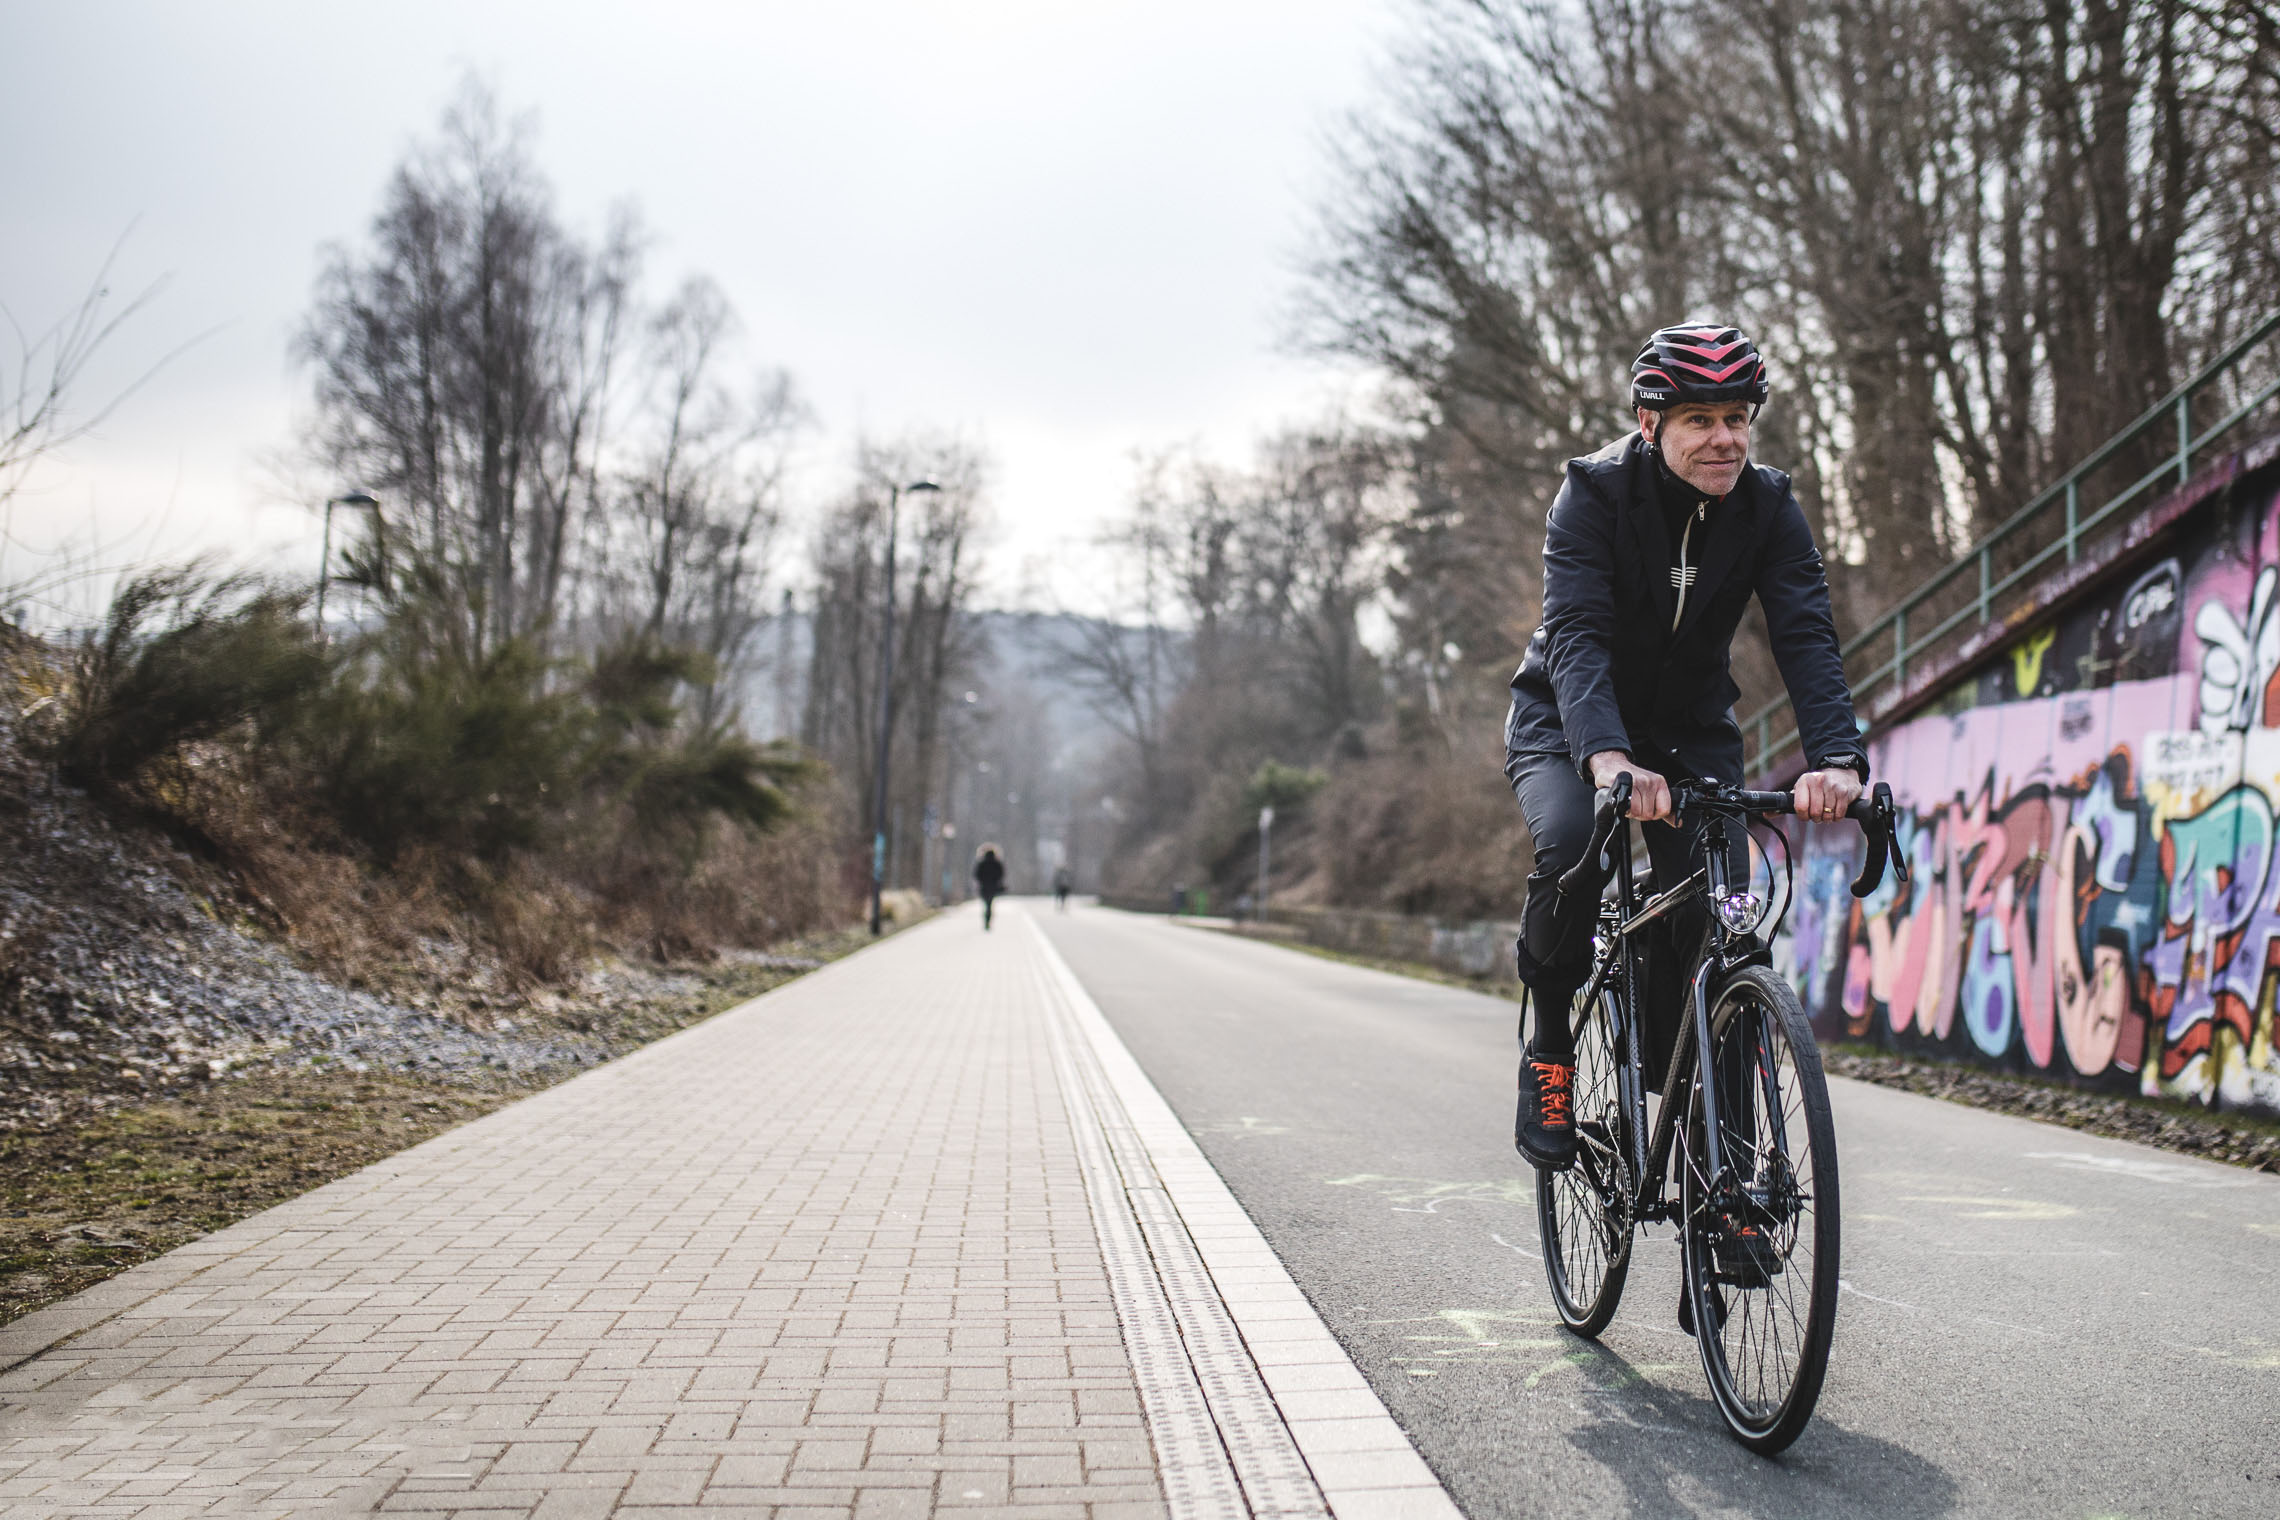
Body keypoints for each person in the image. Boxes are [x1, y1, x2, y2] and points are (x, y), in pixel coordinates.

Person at [1505, 324, 1868, 1176]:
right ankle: (1552, 1048)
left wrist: (1839, 760)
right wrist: (1607, 761)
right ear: (1649, 424)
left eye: (1738, 417)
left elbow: (1806, 635)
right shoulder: (1590, 496)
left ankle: (1730, 1162)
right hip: (1568, 721)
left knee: (1723, 915)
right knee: (1569, 849)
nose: (1725, 439)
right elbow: (1579, 638)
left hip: (1690, 728)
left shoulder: (1769, 505)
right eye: (1700, 419)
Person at [972, 844, 1007, 930]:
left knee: (986, 904)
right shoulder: (997, 863)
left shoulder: (982, 863)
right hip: (993, 886)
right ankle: (988, 919)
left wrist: (982, 881)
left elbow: (977, 875)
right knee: (990, 903)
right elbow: (1001, 874)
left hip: (984, 886)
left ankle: (986, 919)